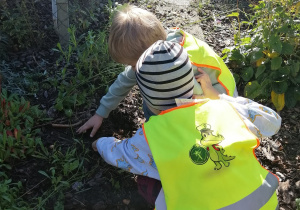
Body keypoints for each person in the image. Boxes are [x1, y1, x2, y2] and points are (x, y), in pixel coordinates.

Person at [91, 41, 281, 209]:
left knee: (145, 180)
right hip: (264, 202)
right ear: (192, 83)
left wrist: (99, 144)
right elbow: (272, 121)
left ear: (149, 101)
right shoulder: (225, 108)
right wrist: (218, 97)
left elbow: (121, 154)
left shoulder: (151, 136)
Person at [76, 4, 237, 137]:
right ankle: (159, 130)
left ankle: (161, 135)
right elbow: (124, 81)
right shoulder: (155, 50)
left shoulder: (180, 66)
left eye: (133, 65)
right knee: (154, 96)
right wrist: (100, 113)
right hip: (198, 92)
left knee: (156, 102)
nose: (132, 70)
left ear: (146, 56)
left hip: (220, 96)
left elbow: (198, 104)